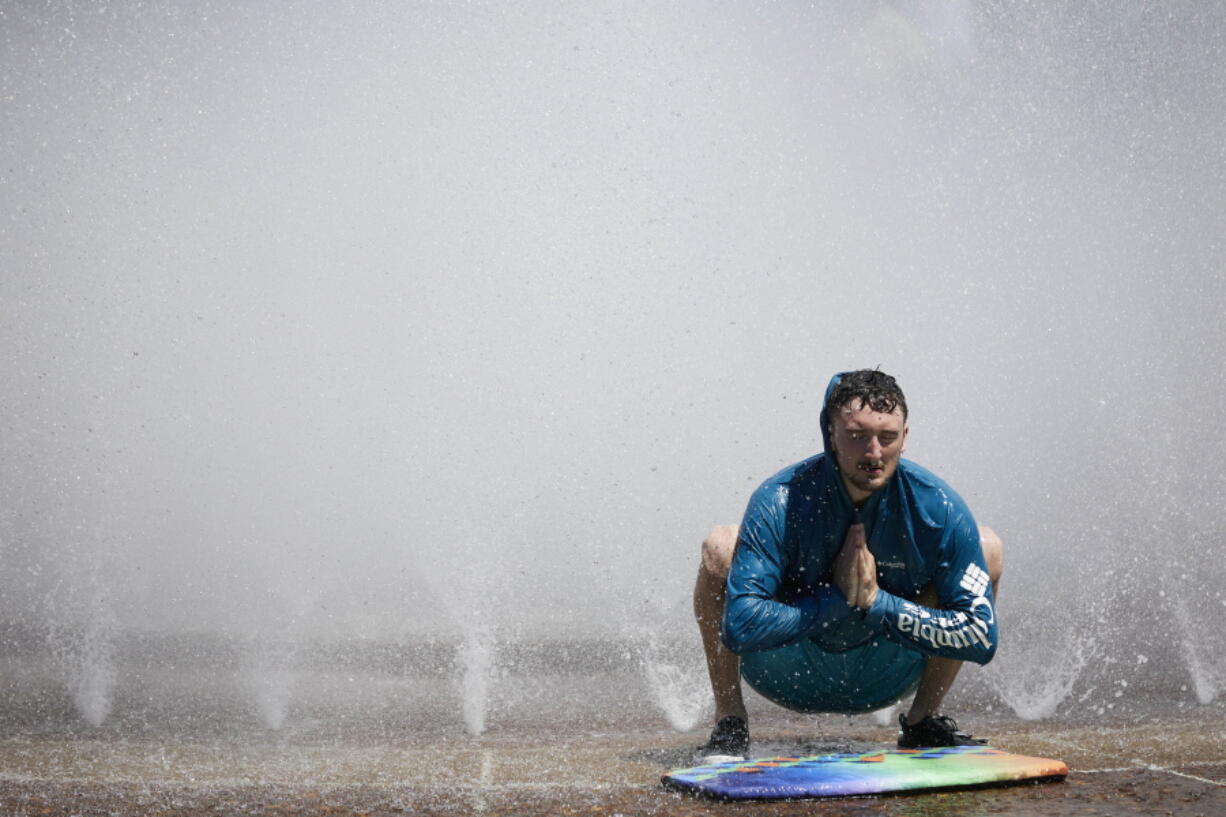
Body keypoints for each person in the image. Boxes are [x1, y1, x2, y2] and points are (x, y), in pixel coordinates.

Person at [693, 369, 1002, 761]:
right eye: (857, 436)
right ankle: (730, 724)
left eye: (887, 437)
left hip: (886, 671)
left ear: (904, 437)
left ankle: (924, 721)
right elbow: (740, 627)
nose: (874, 452)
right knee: (721, 546)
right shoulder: (779, 500)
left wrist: (876, 602)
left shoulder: (939, 506)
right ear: (830, 435)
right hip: (788, 666)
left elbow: (980, 638)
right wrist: (838, 599)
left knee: (987, 546)